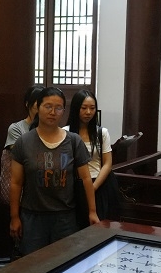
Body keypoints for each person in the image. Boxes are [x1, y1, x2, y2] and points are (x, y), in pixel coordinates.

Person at [10, 87, 99, 256]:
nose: (53, 112)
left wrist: (92, 211)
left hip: (65, 217)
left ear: (64, 111)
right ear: (38, 107)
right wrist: (14, 217)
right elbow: (16, 183)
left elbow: (86, 179)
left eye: (58, 108)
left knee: (63, 263)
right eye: (48, 106)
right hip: (33, 217)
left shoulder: (73, 141)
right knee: (33, 265)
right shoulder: (24, 142)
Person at [65, 89, 119, 226]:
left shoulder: (101, 132)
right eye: (84, 108)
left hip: (99, 184)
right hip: (74, 187)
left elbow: (107, 164)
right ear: (76, 108)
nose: (88, 112)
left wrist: (92, 188)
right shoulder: (65, 133)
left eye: (92, 108)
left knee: (100, 227)